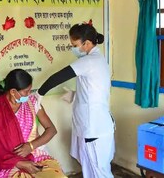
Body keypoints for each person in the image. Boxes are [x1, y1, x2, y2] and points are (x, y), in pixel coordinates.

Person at [35, 23, 115, 178]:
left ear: (86, 43)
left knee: (99, 173)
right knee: (94, 171)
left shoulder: (89, 61)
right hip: (99, 126)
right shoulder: (98, 59)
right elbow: (95, 90)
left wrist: (39, 94)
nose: (73, 49)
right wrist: (75, 95)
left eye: (75, 45)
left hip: (94, 129)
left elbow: (57, 77)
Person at [0, 69, 67, 178]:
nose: (29, 94)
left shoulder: (32, 103)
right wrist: (19, 163)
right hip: (6, 161)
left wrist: (30, 146)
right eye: (26, 91)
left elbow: (51, 130)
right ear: (13, 91)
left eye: (30, 90)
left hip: (34, 155)